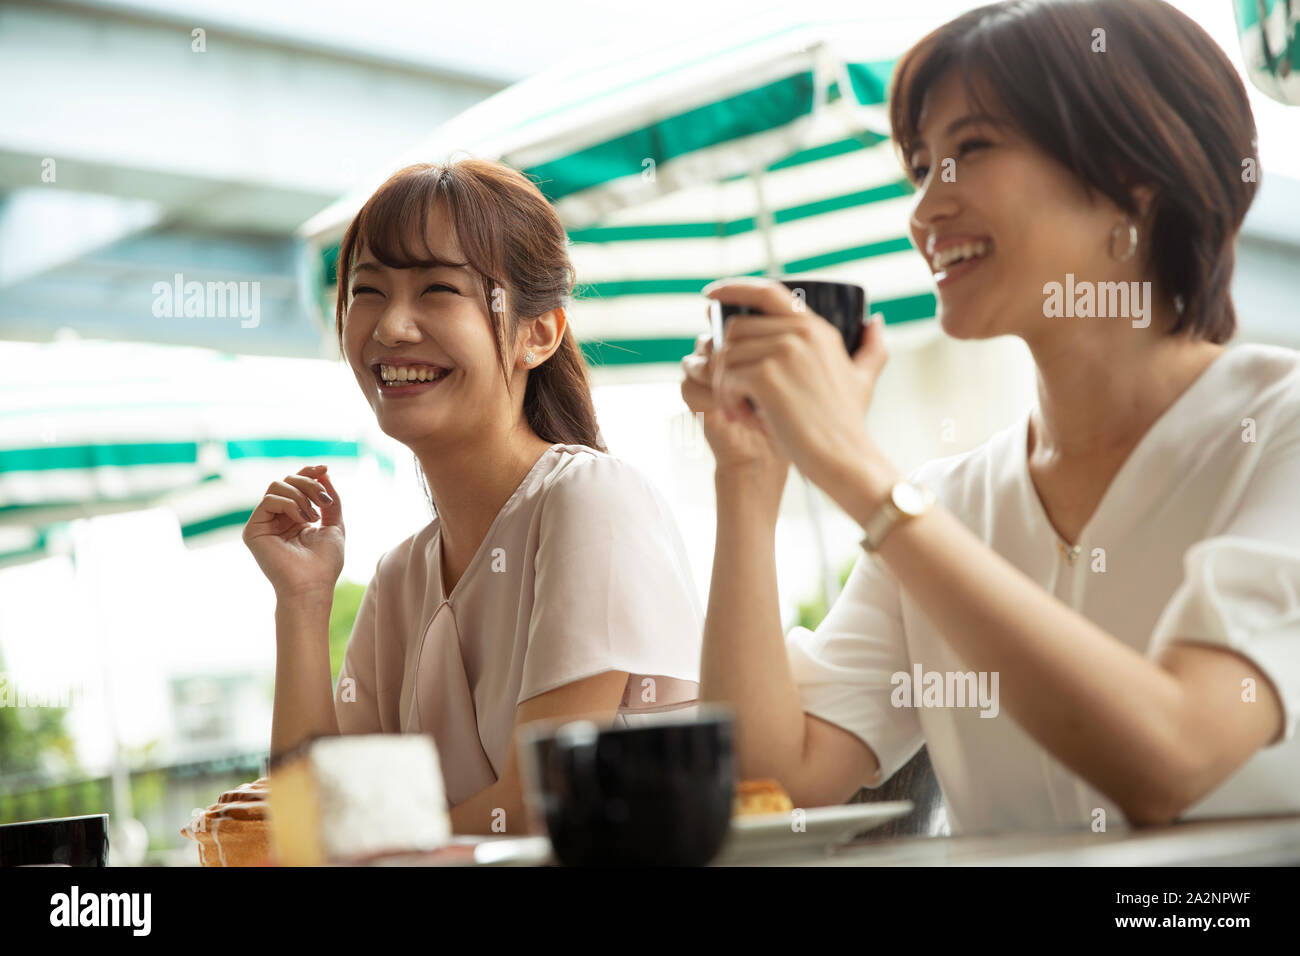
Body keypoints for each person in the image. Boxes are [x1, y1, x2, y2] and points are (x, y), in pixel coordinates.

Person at [682, 0, 1299, 834]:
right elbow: (773, 783)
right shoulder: (951, 502)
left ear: (1137, 175)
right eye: (921, 166)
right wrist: (748, 480)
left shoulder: (1280, 429)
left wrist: (861, 478)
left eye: (971, 150)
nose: (924, 213)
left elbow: (1174, 757)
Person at [243, 158, 702, 837]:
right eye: (367, 292)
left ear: (537, 333)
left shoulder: (591, 502)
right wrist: (302, 601)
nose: (392, 327)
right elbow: (313, 825)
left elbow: (539, 806)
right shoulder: (399, 580)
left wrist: (365, 848)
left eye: (437, 290)